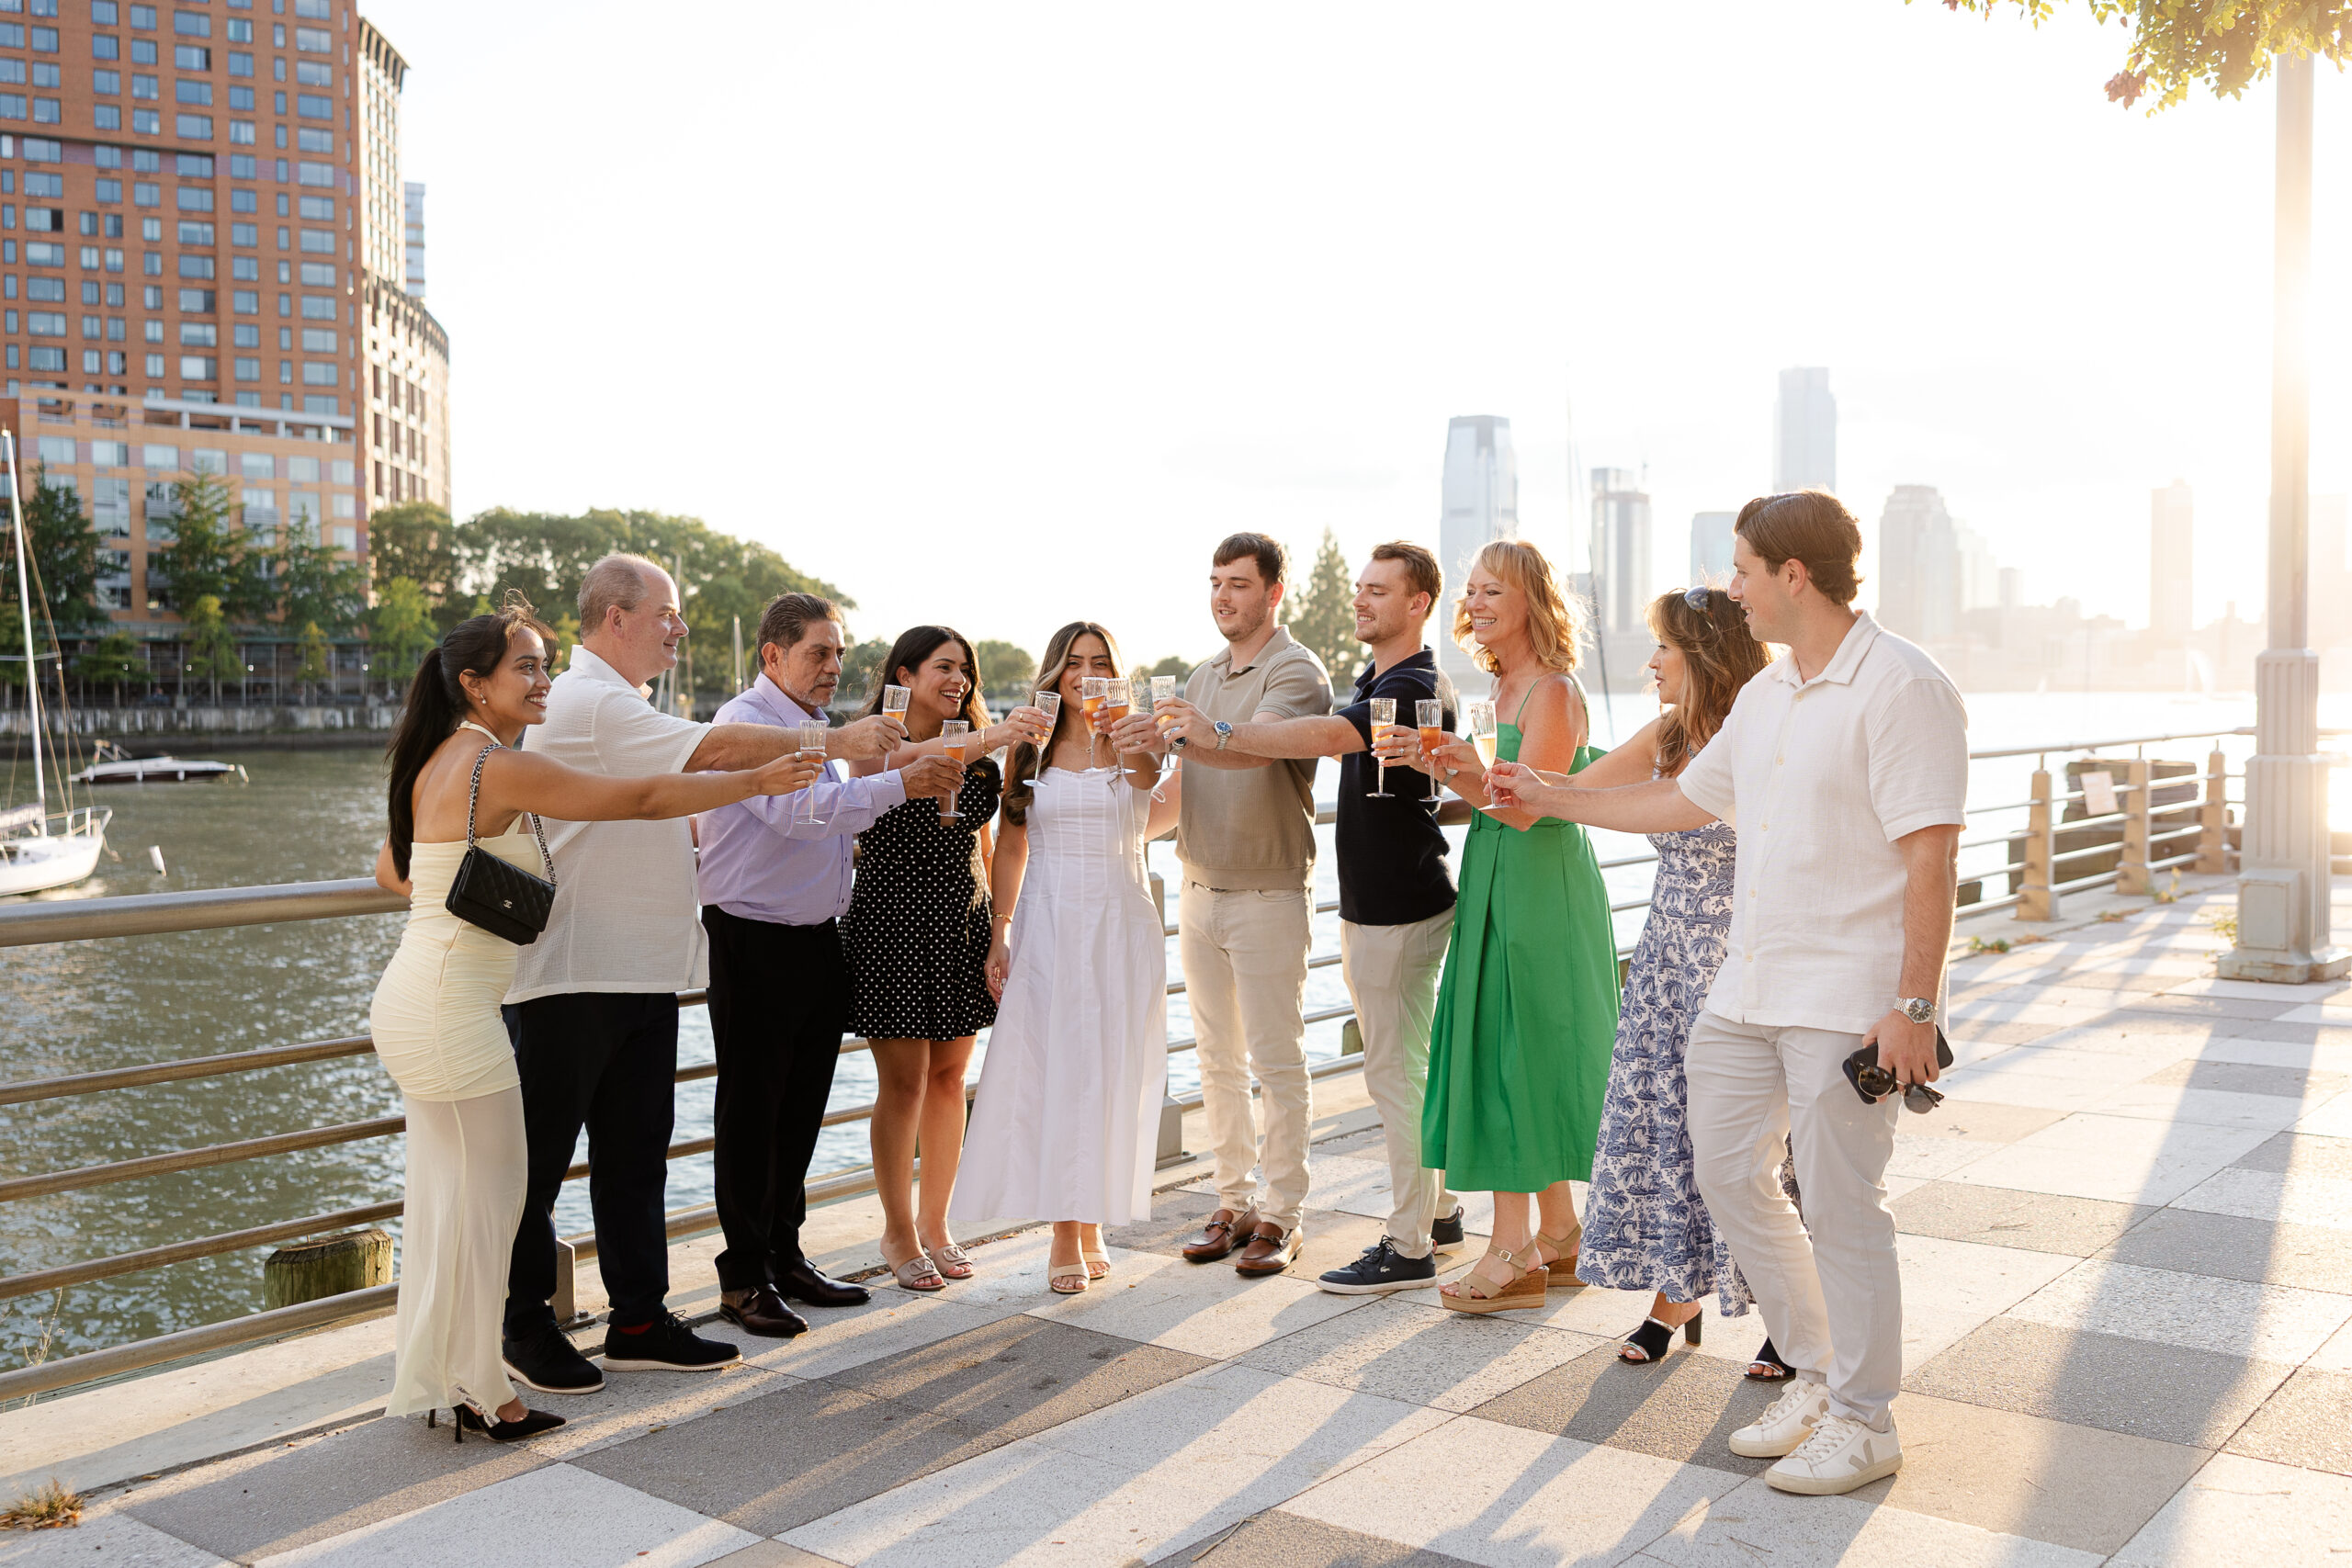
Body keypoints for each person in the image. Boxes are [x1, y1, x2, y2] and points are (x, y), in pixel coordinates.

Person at [1485, 490, 1966, 1496]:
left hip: (1847, 997)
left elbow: (1930, 856)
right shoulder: (1766, 695)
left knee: (1841, 1206)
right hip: (1743, 988)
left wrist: (1914, 1007)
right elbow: (1681, 798)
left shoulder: (1904, 687)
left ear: (1794, 576)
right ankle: (1817, 1374)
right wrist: (1551, 795)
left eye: (1742, 570)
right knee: (1727, 1176)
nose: (1731, 589)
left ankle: (1865, 1419)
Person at [369, 600, 820, 1439]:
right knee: (493, 1203)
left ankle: (455, 1378)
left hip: (417, 994)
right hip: (454, 1010)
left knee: (453, 1200)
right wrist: (755, 780)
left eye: (546, 664)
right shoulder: (496, 766)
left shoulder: (435, 757)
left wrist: (459, 905)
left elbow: (395, 869)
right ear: (474, 685)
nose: (544, 681)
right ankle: (485, 1391)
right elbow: (643, 796)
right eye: (526, 669)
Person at [501, 556, 899, 1394]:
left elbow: (678, 799)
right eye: (668, 613)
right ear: (615, 618)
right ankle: (519, 1323)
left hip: (642, 965)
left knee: (636, 1156)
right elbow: (713, 752)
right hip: (574, 968)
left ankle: (638, 1319)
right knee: (536, 1165)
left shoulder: (630, 705)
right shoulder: (590, 701)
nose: (679, 626)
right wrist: (828, 741)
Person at [1132, 542, 1466, 1295]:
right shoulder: (1374, 677)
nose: (1361, 600)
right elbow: (1422, 784)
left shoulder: (1379, 678)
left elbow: (1317, 738)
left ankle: (1382, 1235)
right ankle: (1419, 1210)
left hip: (1356, 901)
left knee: (1381, 1074)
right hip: (1304, 896)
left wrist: (1212, 732)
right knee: (1240, 1060)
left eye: (1379, 591)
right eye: (1361, 589)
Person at [1507, 586, 1773, 1362]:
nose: (1650, 661)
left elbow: (1658, 807)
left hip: (1735, 955)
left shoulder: (1755, 733)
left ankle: (1781, 1310)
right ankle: (1676, 1290)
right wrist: (1494, 774)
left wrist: (1546, 793)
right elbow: (1573, 794)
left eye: (1664, 647)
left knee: (1747, 1139)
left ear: (1705, 655)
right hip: (1665, 958)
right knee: (1671, 1132)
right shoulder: (1667, 733)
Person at [695, 595, 967, 1328]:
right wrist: (901, 783)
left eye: (839, 653)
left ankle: (784, 1255)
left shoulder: (819, 727)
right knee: (752, 1113)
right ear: (773, 655)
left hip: (817, 938)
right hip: (752, 937)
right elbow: (799, 812)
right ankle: (742, 1278)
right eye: (819, 652)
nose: (834, 667)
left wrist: (903, 766)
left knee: (802, 1110)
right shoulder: (740, 725)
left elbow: (839, 799)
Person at [1376, 538, 1618, 1314]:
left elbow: (1524, 807)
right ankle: (1560, 1230)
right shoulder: (1499, 684)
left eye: (1492, 592)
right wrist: (1442, 758)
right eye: (1472, 592)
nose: (1475, 604)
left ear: (1531, 603)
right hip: (1495, 873)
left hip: (1538, 882)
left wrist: (1443, 764)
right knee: (1509, 1042)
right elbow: (1489, 796)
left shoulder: (1550, 690)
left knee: (1516, 1048)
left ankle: (1511, 1250)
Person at [952, 622, 1177, 1293]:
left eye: (1099, 662)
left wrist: (1122, 732)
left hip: (1119, 918)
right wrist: (1001, 930)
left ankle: (1094, 1216)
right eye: (1073, 663)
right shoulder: (1031, 742)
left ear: (1115, 671)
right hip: (1050, 922)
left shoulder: (1134, 734)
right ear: (1056, 672)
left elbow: (1145, 784)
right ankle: (1062, 1230)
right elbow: (1012, 845)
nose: (1085, 673)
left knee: (1108, 1068)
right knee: (1055, 1070)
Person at [842, 625, 1052, 1292]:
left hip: (962, 920)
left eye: (966, 668)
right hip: (892, 924)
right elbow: (869, 780)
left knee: (950, 1077)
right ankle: (897, 1231)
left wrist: (999, 931)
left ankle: (937, 1223)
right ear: (904, 674)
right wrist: (990, 737)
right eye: (944, 666)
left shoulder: (984, 755)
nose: (959, 679)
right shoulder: (876, 739)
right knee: (901, 1082)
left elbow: (988, 847)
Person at [1155, 534, 1333, 1278]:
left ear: (1273, 593)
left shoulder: (1296, 669)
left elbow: (1256, 748)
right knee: (1217, 1061)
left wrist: (1204, 731)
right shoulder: (1199, 675)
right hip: (1199, 889)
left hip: (1267, 893)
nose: (1223, 596)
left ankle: (1282, 1213)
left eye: (1239, 584)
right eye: (1215, 583)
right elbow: (1176, 785)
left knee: (1276, 1060)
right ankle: (1231, 1202)